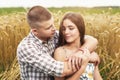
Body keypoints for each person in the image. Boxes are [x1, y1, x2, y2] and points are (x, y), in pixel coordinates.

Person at [17, 5, 99, 80]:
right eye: (48, 27)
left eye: (53, 24)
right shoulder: (27, 47)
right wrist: (86, 58)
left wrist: (80, 53)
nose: (54, 28)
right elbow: (60, 70)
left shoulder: (54, 35)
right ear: (35, 31)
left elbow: (92, 40)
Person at [54, 12, 102, 80]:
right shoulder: (61, 52)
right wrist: (83, 66)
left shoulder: (88, 49)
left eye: (71, 28)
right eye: (64, 29)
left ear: (80, 29)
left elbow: (97, 77)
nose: (66, 32)